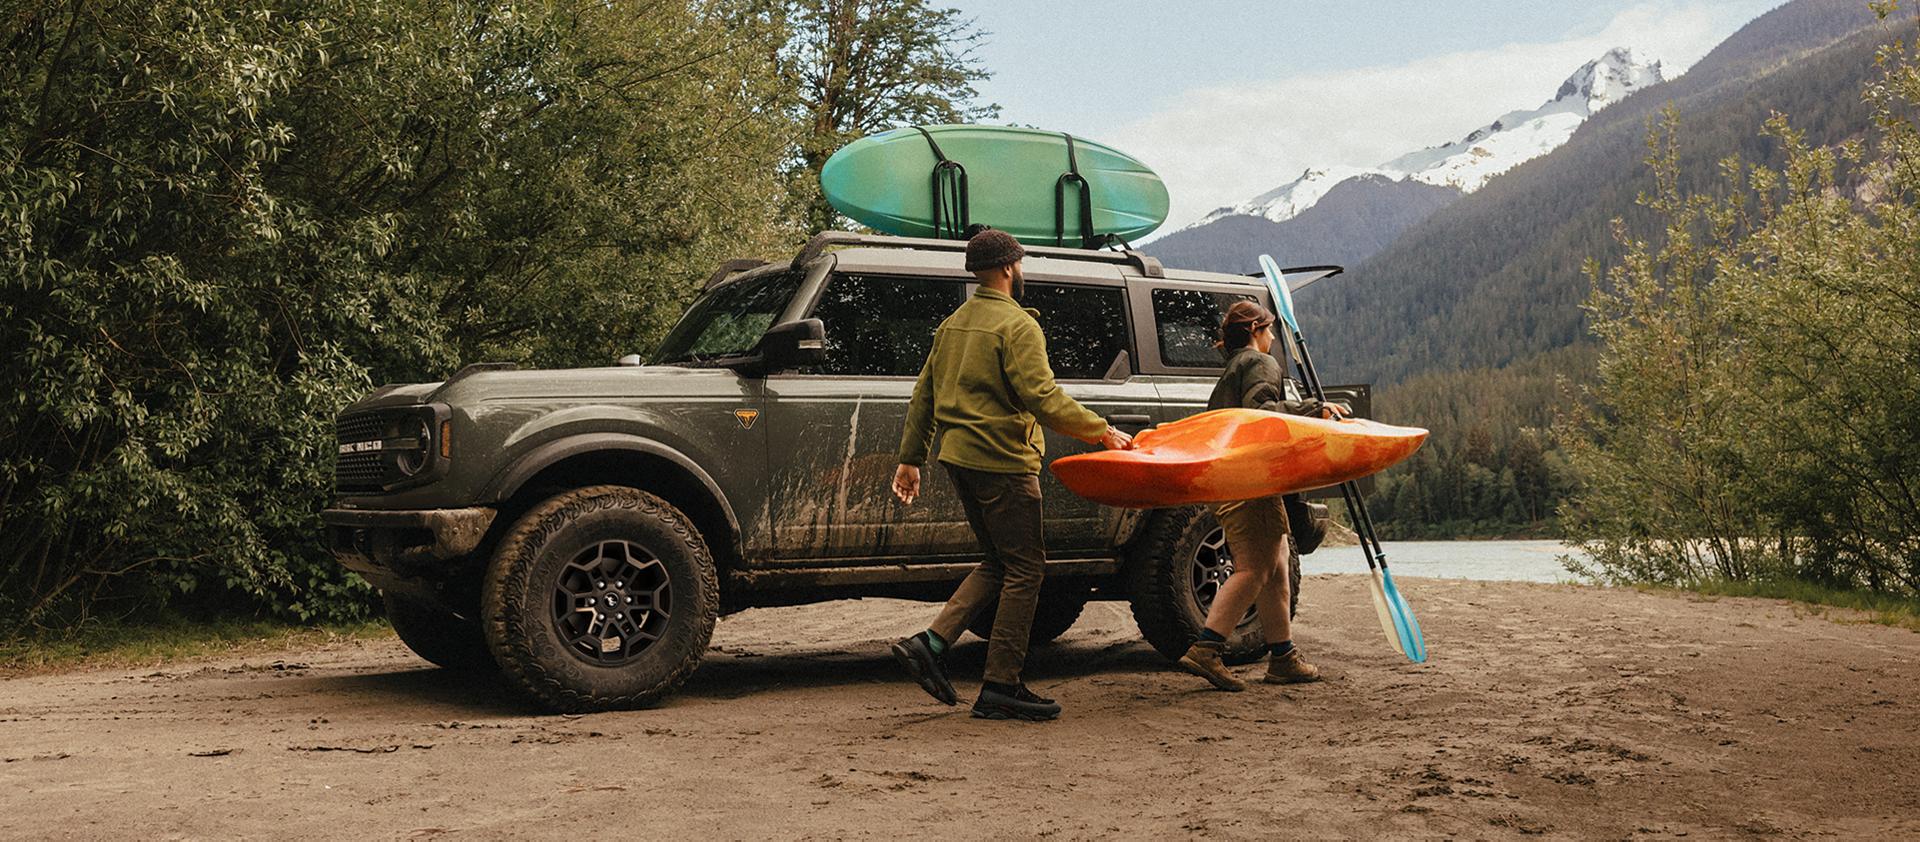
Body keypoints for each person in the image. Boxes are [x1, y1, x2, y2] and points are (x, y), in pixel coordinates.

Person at [888, 227, 1133, 722]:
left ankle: (931, 643)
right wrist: (1102, 431)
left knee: (1001, 560)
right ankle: (1001, 683)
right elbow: (1042, 397)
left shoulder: (953, 324)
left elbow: (924, 397)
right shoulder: (1018, 326)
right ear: (1007, 268)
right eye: (1019, 264)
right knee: (1026, 569)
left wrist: (911, 458)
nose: (1021, 271)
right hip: (1003, 461)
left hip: (960, 459)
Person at [1178, 300, 1344, 691]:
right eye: (1268, 330)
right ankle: (1207, 648)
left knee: (1277, 562)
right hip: (1249, 478)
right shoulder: (1259, 363)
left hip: (1230, 479)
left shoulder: (1233, 367)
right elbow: (1262, 412)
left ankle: (1282, 656)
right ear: (1256, 329)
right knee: (1255, 567)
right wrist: (1314, 410)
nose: (1271, 337)